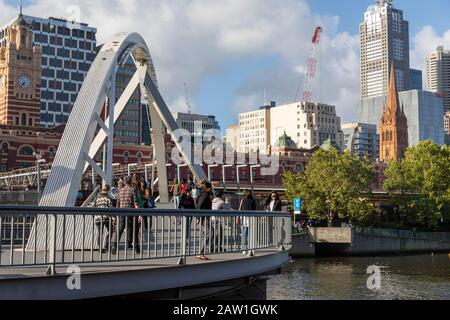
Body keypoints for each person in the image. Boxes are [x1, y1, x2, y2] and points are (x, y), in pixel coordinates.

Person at [110, 176, 140, 254]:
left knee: (119, 230)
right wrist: (139, 213)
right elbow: (135, 202)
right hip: (130, 212)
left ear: (124, 182)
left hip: (122, 212)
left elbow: (117, 203)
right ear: (130, 182)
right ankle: (135, 247)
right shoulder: (132, 190)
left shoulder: (120, 191)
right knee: (133, 229)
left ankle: (114, 246)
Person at [94, 185, 114, 253]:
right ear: (108, 190)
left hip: (98, 217)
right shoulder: (108, 198)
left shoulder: (97, 198)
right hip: (106, 217)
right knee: (110, 231)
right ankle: (106, 245)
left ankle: (100, 248)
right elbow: (111, 209)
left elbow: (94, 207)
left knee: (100, 232)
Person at [196, 182, 213, 261]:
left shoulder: (204, 194)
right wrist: (198, 217)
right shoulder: (205, 194)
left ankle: (200, 252)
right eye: (211, 188)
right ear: (208, 188)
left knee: (205, 233)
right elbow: (199, 205)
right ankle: (200, 253)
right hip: (204, 217)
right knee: (209, 232)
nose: (212, 189)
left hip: (204, 216)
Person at [239, 191, 256, 255]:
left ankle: (249, 248)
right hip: (244, 219)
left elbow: (254, 210)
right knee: (244, 235)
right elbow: (240, 209)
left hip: (250, 218)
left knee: (248, 235)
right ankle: (244, 248)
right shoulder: (243, 200)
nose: (246, 195)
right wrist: (239, 217)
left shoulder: (252, 200)